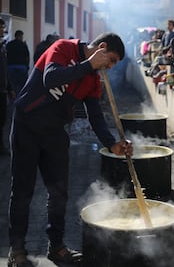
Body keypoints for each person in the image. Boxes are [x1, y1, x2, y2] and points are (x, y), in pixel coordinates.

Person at [8, 32, 133, 267]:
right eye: (111, 60)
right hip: (27, 124)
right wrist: (87, 64)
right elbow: (50, 78)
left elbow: (95, 116)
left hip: (54, 132)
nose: (110, 67)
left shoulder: (93, 80)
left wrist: (112, 143)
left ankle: (56, 247)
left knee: (59, 192)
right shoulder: (64, 48)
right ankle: (17, 251)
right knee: (22, 192)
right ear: (102, 48)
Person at [0, 18, 14, 156]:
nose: (2, 30)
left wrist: (10, 88)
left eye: (3, 27)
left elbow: (5, 70)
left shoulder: (3, 47)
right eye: (0, 27)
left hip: (3, 90)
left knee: (2, 119)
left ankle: (1, 146)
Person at [6, 30, 30, 95]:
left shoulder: (9, 44)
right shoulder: (23, 45)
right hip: (22, 67)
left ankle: (13, 98)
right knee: (22, 85)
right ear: (20, 36)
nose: (22, 38)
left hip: (11, 67)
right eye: (22, 36)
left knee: (12, 84)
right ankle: (20, 99)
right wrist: (27, 66)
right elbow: (27, 56)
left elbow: (6, 55)